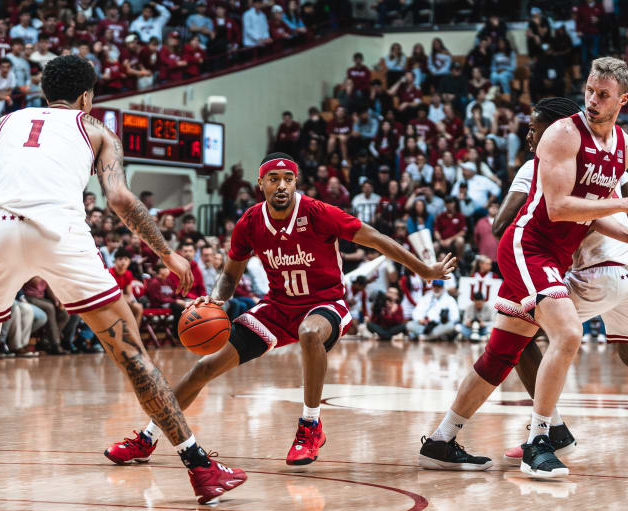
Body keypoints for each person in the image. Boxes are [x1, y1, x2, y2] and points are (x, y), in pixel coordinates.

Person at [0, 55, 245, 505]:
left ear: (43, 92)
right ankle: (200, 468)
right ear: (87, 97)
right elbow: (119, 198)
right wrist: (167, 252)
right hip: (60, 233)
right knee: (133, 358)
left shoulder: (8, 122)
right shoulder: (95, 130)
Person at [105, 152, 456, 467]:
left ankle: (310, 425)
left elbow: (377, 238)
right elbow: (230, 274)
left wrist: (424, 269)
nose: (282, 185)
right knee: (203, 368)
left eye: (288, 178)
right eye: (274, 179)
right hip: (275, 308)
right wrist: (215, 299)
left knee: (308, 333)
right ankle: (148, 437)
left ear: (296, 182)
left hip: (325, 303)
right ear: (261, 184)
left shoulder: (318, 213)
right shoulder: (249, 222)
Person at [419, 58, 628, 478]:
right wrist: (625, 204)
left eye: (603, 94)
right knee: (568, 332)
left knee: (501, 354)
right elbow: (559, 207)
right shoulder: (563, 134)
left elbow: (586, 214)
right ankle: (539, 441)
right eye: (589, 89)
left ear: (623, 100)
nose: (592, 100)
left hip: (554, 254)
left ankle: (441, 441)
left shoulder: (624, 147)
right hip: (528, 245)